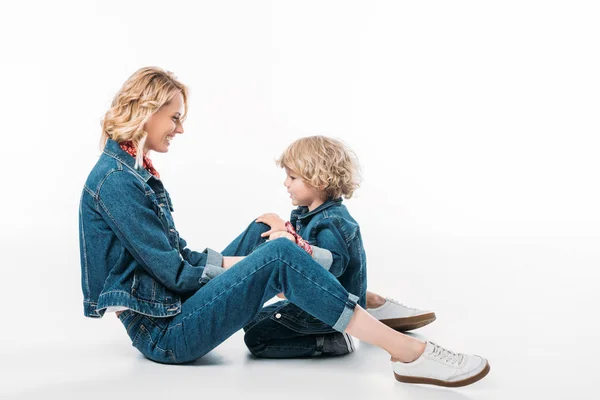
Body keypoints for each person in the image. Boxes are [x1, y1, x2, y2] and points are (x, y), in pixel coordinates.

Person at [78, 66, 490, 387]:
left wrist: (263, 252)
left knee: (264, 231)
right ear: (147, 112)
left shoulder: (133, 172)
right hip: (165, 334)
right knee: (278, 253)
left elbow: (178, 257)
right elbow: (175, 272)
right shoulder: (116, 182)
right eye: (175, 117)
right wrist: (263, 260)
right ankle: (408, 353)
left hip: (171, 310)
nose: (180, 129)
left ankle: (362, 298)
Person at [242, 135, 434, 358]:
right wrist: (285, 230)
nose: (286, 183)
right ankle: (324, 334)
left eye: (292, 177)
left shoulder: (332, 221)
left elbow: (333, 263)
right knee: (251, 320)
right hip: (309, 303)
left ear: (319, 181)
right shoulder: (308, 216)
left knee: (257, 339)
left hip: (329, 309)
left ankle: (332, 340)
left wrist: (290, 240)